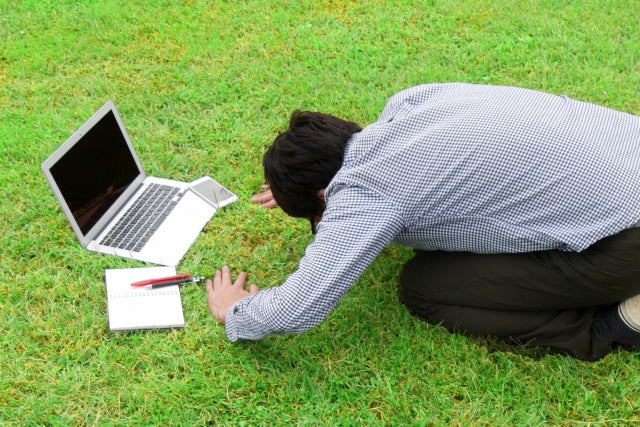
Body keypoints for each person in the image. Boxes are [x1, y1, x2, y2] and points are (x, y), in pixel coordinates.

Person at [205, 82, 640, 361]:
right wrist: (295, 187)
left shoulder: (365, 193)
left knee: (422, 286)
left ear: (324, 196)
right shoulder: (412, 102)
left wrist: (235, 313)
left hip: (626, 242)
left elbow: (298, 308)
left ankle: (612, 325)